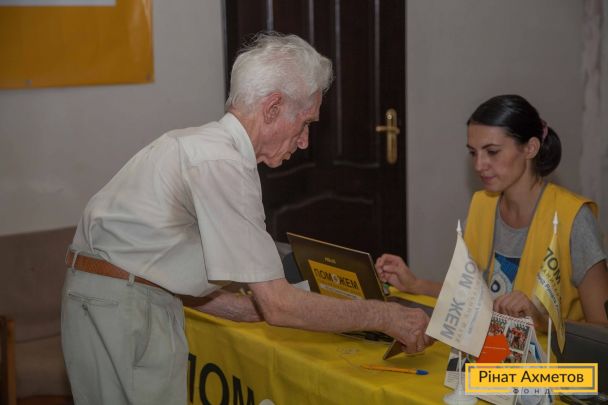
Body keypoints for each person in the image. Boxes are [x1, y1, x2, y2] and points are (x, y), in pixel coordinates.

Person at [61, 33, 432, 405]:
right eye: (305, 123)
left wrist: (249, 308)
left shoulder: (204, 146)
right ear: (272, 108)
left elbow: (157, 265)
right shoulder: (223, 163)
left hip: (114, 299)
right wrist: (387, 317)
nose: (305, 141)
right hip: (124, 307)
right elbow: (279, 306)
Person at [376, 94, 608, 331]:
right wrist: (415, 284)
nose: (479, 165)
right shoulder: (482, 205)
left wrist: (542, 322)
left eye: (492, 152)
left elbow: (602, 331)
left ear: (530, 148)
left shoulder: (574, 218)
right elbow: (470, 299)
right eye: (473, 153)